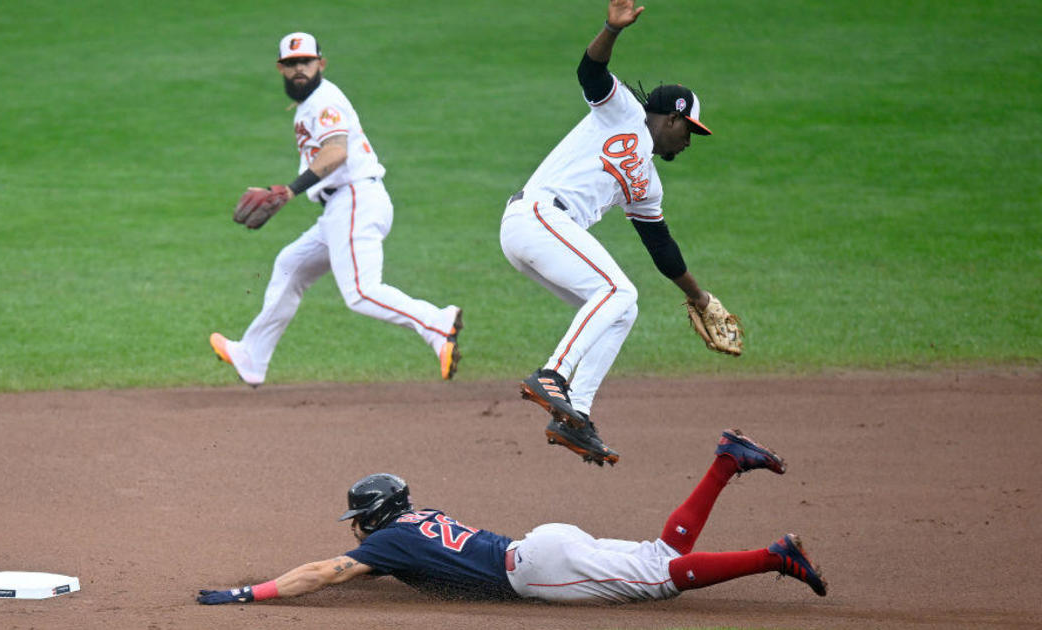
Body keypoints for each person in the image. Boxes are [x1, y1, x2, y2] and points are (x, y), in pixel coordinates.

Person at [195, 429, 827, 606]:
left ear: (377, 517)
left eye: (360, 520)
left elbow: (327, 571)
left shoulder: (387, 544)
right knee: (661, 557)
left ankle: (775, 556)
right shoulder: (418, 524)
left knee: (660, 581)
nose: (358, 531)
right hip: (544, 543)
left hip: (535, 570)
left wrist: (250, 593)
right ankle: (725, 461)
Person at [503, 0, 742, 467]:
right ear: (672, 119)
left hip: (544, 232)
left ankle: (577, 417)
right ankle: (552, 374)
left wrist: (700, 298)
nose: (689, 143)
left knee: (622, 308)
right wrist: (611, 30)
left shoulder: (647, 182)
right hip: (536, 215)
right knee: (615, 289)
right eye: (689, 132)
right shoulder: (624, 112)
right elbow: (590, 72)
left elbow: (661, 247)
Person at [209, 32, 463, 386]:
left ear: (321, 64)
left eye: (306, 62)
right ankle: (251, 355)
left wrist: (290, 191)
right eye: (291, 63)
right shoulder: (308, 105)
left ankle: (436, 322)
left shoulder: (324, 102)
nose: (299, 69)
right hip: (340, 207)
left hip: (354, 198)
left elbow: (336, 151)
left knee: (361, 291)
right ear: (281, 69)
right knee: (290, 265)